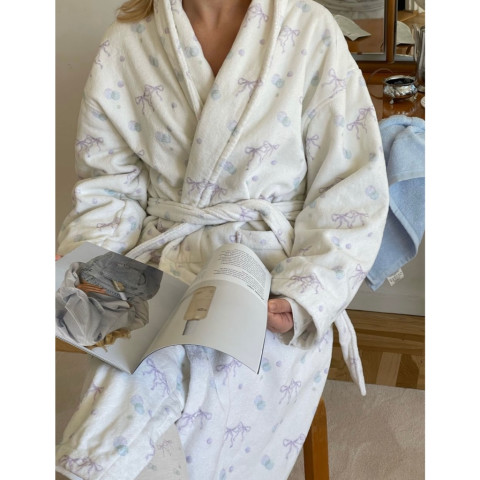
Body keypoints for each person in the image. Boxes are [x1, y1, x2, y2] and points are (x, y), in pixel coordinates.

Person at [55, 0, 389, 478]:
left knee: (213, 376)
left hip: (272, 274)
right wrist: (83, 269)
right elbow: (109, 187)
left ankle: (98, 466)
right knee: (134, 367)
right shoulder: (128, 40)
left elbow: (349, 188)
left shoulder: (307, 28)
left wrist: (303, 295)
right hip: (159, 264)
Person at [56, 251, 163, 349]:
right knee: (138, 244)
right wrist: (75, 291)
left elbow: (142, 318)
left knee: (161, 252)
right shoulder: (77, 338)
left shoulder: (116, 331)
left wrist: (126, 299)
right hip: (100, 279)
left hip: (144, 289)